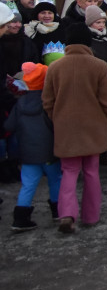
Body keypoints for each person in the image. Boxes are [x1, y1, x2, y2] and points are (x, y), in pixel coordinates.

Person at [41, 22, 107, 233]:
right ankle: (91, 216)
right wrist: (106, 119)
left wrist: (57, 118)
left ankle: (66, 214)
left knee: (69, 171)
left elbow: (47, 101)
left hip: (65, 126)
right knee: (91, 171)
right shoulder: (99, 66)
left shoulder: (55, 67)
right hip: (94, 125)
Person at [6, 62, 60, 232]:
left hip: (27, 153)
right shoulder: (49, 102)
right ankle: (57, 211)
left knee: (28, 184)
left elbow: (9, 126)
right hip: (49, 152)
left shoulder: (20, 103)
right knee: (55, 180)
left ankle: (20, 218)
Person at [0, 3, 39, 78]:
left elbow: (35, 63)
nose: (18, 25)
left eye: (20, 21)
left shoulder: (27, 42)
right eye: (14, 22)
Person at [85, 5, 107, 75]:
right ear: (90, 23)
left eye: (103, 22)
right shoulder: (86, 39)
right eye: (98, 22)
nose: (101, 25)